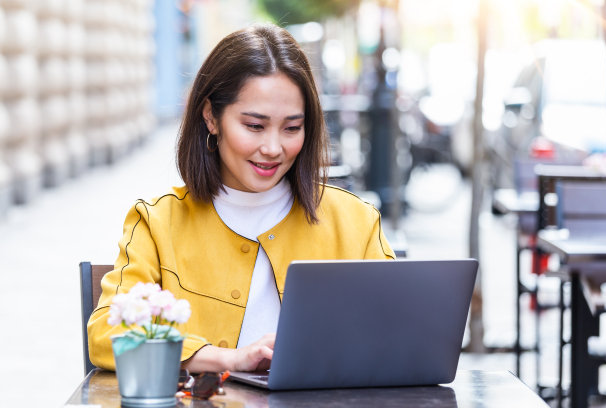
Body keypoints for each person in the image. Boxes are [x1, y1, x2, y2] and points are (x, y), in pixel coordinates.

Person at [88, 23, 395, 373]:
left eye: (292, 128)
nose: (273, 148)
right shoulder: (159, 224)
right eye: (254, 126)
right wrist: (226, 359)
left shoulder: (356, 221)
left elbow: (398, 333)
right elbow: (107, 334)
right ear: (211, 117)